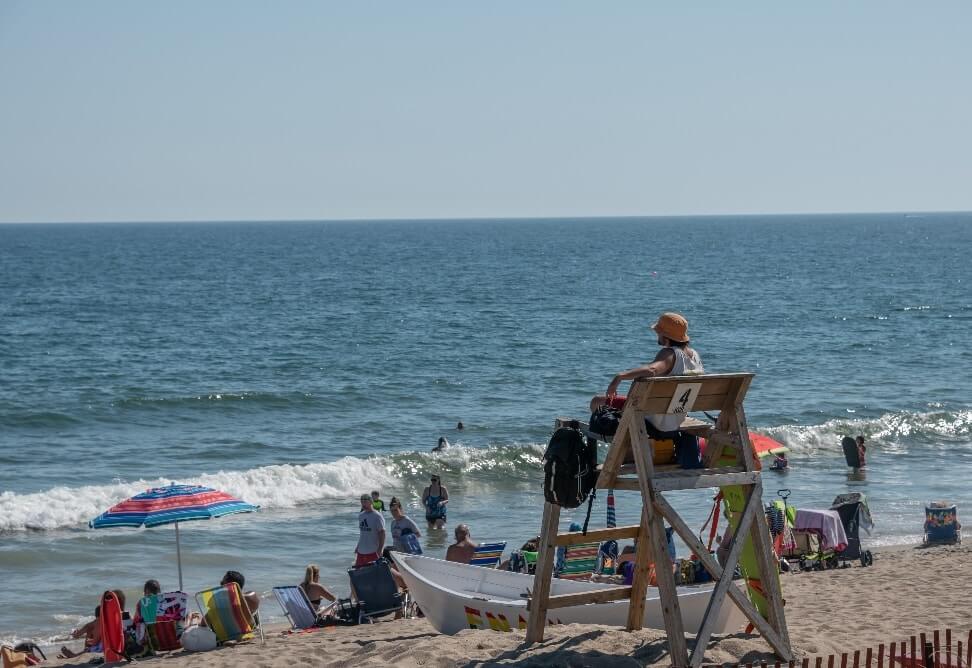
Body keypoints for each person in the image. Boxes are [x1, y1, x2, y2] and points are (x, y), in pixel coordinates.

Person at [590, 312, 703, 433]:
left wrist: (619, 377)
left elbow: (652, 370)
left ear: (665, 336)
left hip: (654, 419)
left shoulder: (669, 353)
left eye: (658, 332)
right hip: (676, 418)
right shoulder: (695, 356)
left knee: (596, 401)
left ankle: (626, 446)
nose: (657, 335)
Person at [355, 493, 386, 567]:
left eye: (365, 502)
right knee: (358, 574)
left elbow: (382, 533)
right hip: (361, 551)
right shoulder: (361, 515)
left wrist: (380, 549)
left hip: (373, 551)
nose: (363, 504)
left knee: (373, 575)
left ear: (371, 502)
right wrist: (358, 546)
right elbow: (362, 533)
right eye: (362, 502)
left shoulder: (377, 516)